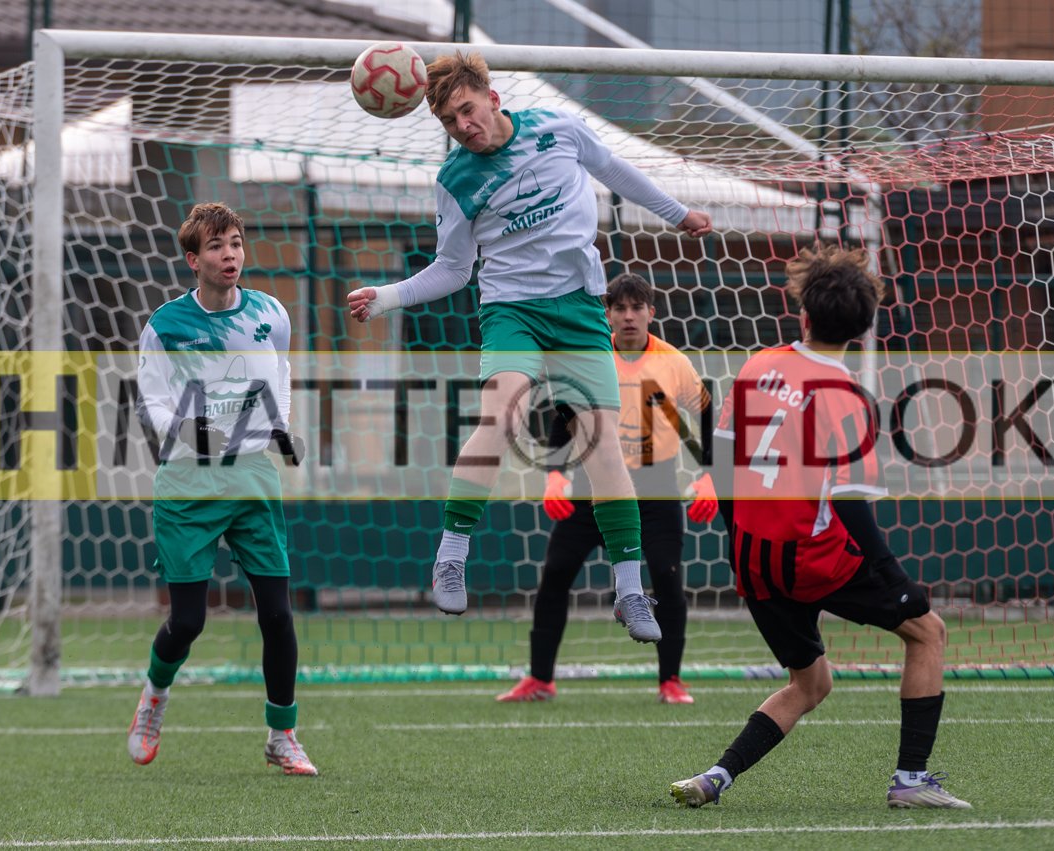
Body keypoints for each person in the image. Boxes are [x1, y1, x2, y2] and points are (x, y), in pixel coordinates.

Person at [347, 51, 713, 643]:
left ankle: (628, 590)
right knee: (502, 415)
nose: (463, 126)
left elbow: (614, 170)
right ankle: (450, 555)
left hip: (580, 308)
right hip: (511, 310)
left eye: (468, 110)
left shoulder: (558, 129)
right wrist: (387, 296)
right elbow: (453, 269)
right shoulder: (455, 180)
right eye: (449, 121)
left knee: (603, 445)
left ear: (492, 98)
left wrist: (678, 214)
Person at [669, 243, 970, 810]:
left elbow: (723, 465)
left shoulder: (757, 366)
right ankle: (911, 779)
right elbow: (851, 505)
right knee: (927, 631)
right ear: (863, 328)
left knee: (812, 684)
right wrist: (896, 580)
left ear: (803, 315)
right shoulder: (848, 397)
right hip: (812, 557)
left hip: (753, 558)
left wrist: (737, 543)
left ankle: (715, 777)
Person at [127, 202, 316, 776]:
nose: (229, 254)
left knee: (277, 615)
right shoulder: (165, 326)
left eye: (235, 242)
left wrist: (280, 426)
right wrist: (192, 433)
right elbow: (152, 403)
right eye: (215, 246)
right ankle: (153, 698)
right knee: (188, 621)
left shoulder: (270, 313)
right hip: (188, 481)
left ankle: (282, 734)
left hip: (252, 475)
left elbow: (281, 371)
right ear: (193, 259)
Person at [496, 272, 717, 705]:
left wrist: (710, 474)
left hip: (656, 489)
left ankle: (670, 680)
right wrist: (555, 475)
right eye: (619, 308)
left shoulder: (674, 362)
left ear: (651, 313)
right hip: (591, 486)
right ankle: (540, 679)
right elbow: (564, 415)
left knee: (667, 578)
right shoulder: (591, 358)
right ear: (608, 315)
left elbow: (708, 414)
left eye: (637, 308)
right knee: (555, 575)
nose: (629, 316)